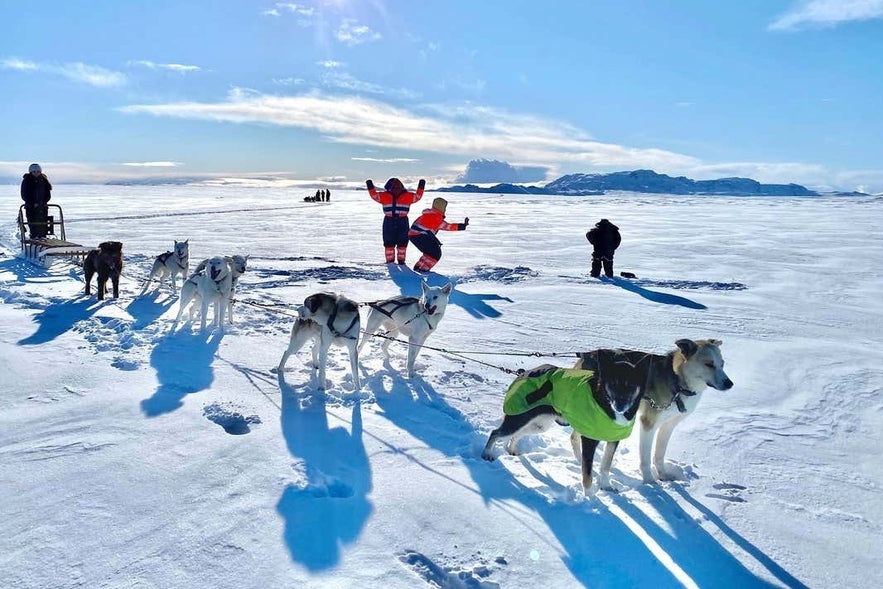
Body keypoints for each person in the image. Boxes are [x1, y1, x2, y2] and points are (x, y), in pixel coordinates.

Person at [367, 177, 425, 264]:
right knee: (388, 241)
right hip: (389, 220)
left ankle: (401, 260)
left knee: (403, 241)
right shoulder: (384, 196)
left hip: (403, 221)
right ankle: (390, 261)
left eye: (398, 187)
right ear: (389, 188)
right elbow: (374, 196)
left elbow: (418, 197)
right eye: (394, 188)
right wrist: (370, 186)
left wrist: (421, 185)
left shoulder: (408, 196)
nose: (396, 189)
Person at [408, 197, 468, 273]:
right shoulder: (435, 217)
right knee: (435, 254)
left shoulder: (427, 215)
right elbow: (447, 226)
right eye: (444, 208)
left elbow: (425, 229)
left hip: (414, 235)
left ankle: (418, 268)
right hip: (419, 236)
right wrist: (462, 226)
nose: (445, 210)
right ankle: (423, 270)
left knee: (429, 253)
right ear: (441, 208)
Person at [21, 163, 52, 239]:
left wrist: (42, 202)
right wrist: (32, 203)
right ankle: (34, 237)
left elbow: (48, 194)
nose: (36, 173)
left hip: (42, 207)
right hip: (30, 207)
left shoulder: (44, 180)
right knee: (32, 223)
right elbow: (24, 194)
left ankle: (43, 237)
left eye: (38, 171)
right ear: (31, 172)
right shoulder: (27, 180)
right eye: (34, 171)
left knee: (43, 223)